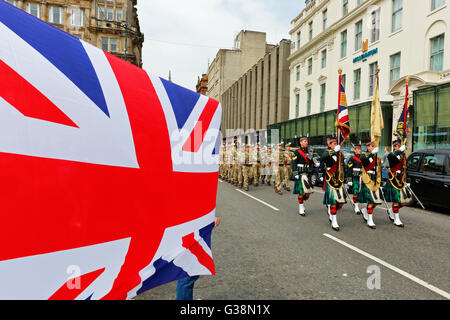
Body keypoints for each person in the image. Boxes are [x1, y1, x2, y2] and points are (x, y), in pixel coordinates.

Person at [176, 217, 221, 300]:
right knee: (188, 273)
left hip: (186, 230)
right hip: (186, 232)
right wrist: (207, 220)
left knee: (189, 272)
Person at [383, 140, 411, 227]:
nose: (396, 147)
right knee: (396, 200)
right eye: (395, 146)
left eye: (398, 146)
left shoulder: (403, 155)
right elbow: (391, 156)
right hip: (394, 179)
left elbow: (405, 168)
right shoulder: (392, 155)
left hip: (401, 180)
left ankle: (391, 210)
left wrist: (407, 180)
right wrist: (398, 151)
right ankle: (397, 219)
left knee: (405, 201)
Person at [321, 137, 346, 231]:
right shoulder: (326, 152)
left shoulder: (340, 154)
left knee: (341, 201)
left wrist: (347, 179)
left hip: (339, 179)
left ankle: (331, 212)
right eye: (333, 143)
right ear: (329, 144)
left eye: (336, 143)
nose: (335, 145)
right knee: (333, 202)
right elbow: (323, 157)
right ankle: (334, 221)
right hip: (330, 178)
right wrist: (334, 152)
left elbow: (343, 166)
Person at [358, 142, 383, 229]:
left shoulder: (377, 157)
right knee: (371, 201)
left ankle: (365, 210)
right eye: (370, 146)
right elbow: (362, 159)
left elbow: (379, 169)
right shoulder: (364, 155)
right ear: (367, 147)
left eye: (373, 146)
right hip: (368, 180)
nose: (372, 147)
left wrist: (381, 181)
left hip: (375, 180)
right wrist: (372, 154)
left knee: (377, 201)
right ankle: (370, 220)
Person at [292, 137, 314, 216]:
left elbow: (311, 161)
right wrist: (295, 173)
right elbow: (294, 163)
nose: (306, 143)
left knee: (308, 192)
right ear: (301, 142)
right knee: (301, 192)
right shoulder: (297, 152)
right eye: (304, 141)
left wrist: (315, 162)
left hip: (307, 173)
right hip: (300, 174)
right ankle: (301, 206)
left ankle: (302, 201)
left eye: (307, 141)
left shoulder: (309, 151)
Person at [345, 144, 363, 215]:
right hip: (355, 177)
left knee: (362, 193)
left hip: (362, 177)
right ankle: (356, 207)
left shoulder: (363, 158)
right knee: (356, 192)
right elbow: (349, 170)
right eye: (358, 149)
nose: (359, 150)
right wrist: (349, 180)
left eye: (360, 149)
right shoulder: (352, 158)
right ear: (355, 150)